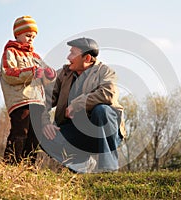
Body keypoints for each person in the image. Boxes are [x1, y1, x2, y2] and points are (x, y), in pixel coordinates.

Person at [41, 37, 126, 173]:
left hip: (104, 132)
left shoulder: (104, 71)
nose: (68, 57)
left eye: (73, 53)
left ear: (86, 58)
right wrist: (45, 123)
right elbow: (44, 99)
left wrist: (77, 104)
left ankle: (108, 170)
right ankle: (80, 165)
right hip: (77, 132)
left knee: (102, 111)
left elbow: (108, 93)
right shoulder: (64, 73)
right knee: (43, 133)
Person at [0, 16, 56, 165]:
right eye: (28, 35)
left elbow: (44, 75)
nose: (31, 39)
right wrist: (32, 72)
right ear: (17, 34)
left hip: (37, 100)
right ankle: (11, 164)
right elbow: (8, 73)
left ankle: (28, 167)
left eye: (34, 37)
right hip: (20, 100)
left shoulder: (35, 56)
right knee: (20, 131)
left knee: (35, 134)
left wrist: (49, 75)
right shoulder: (10, 52)